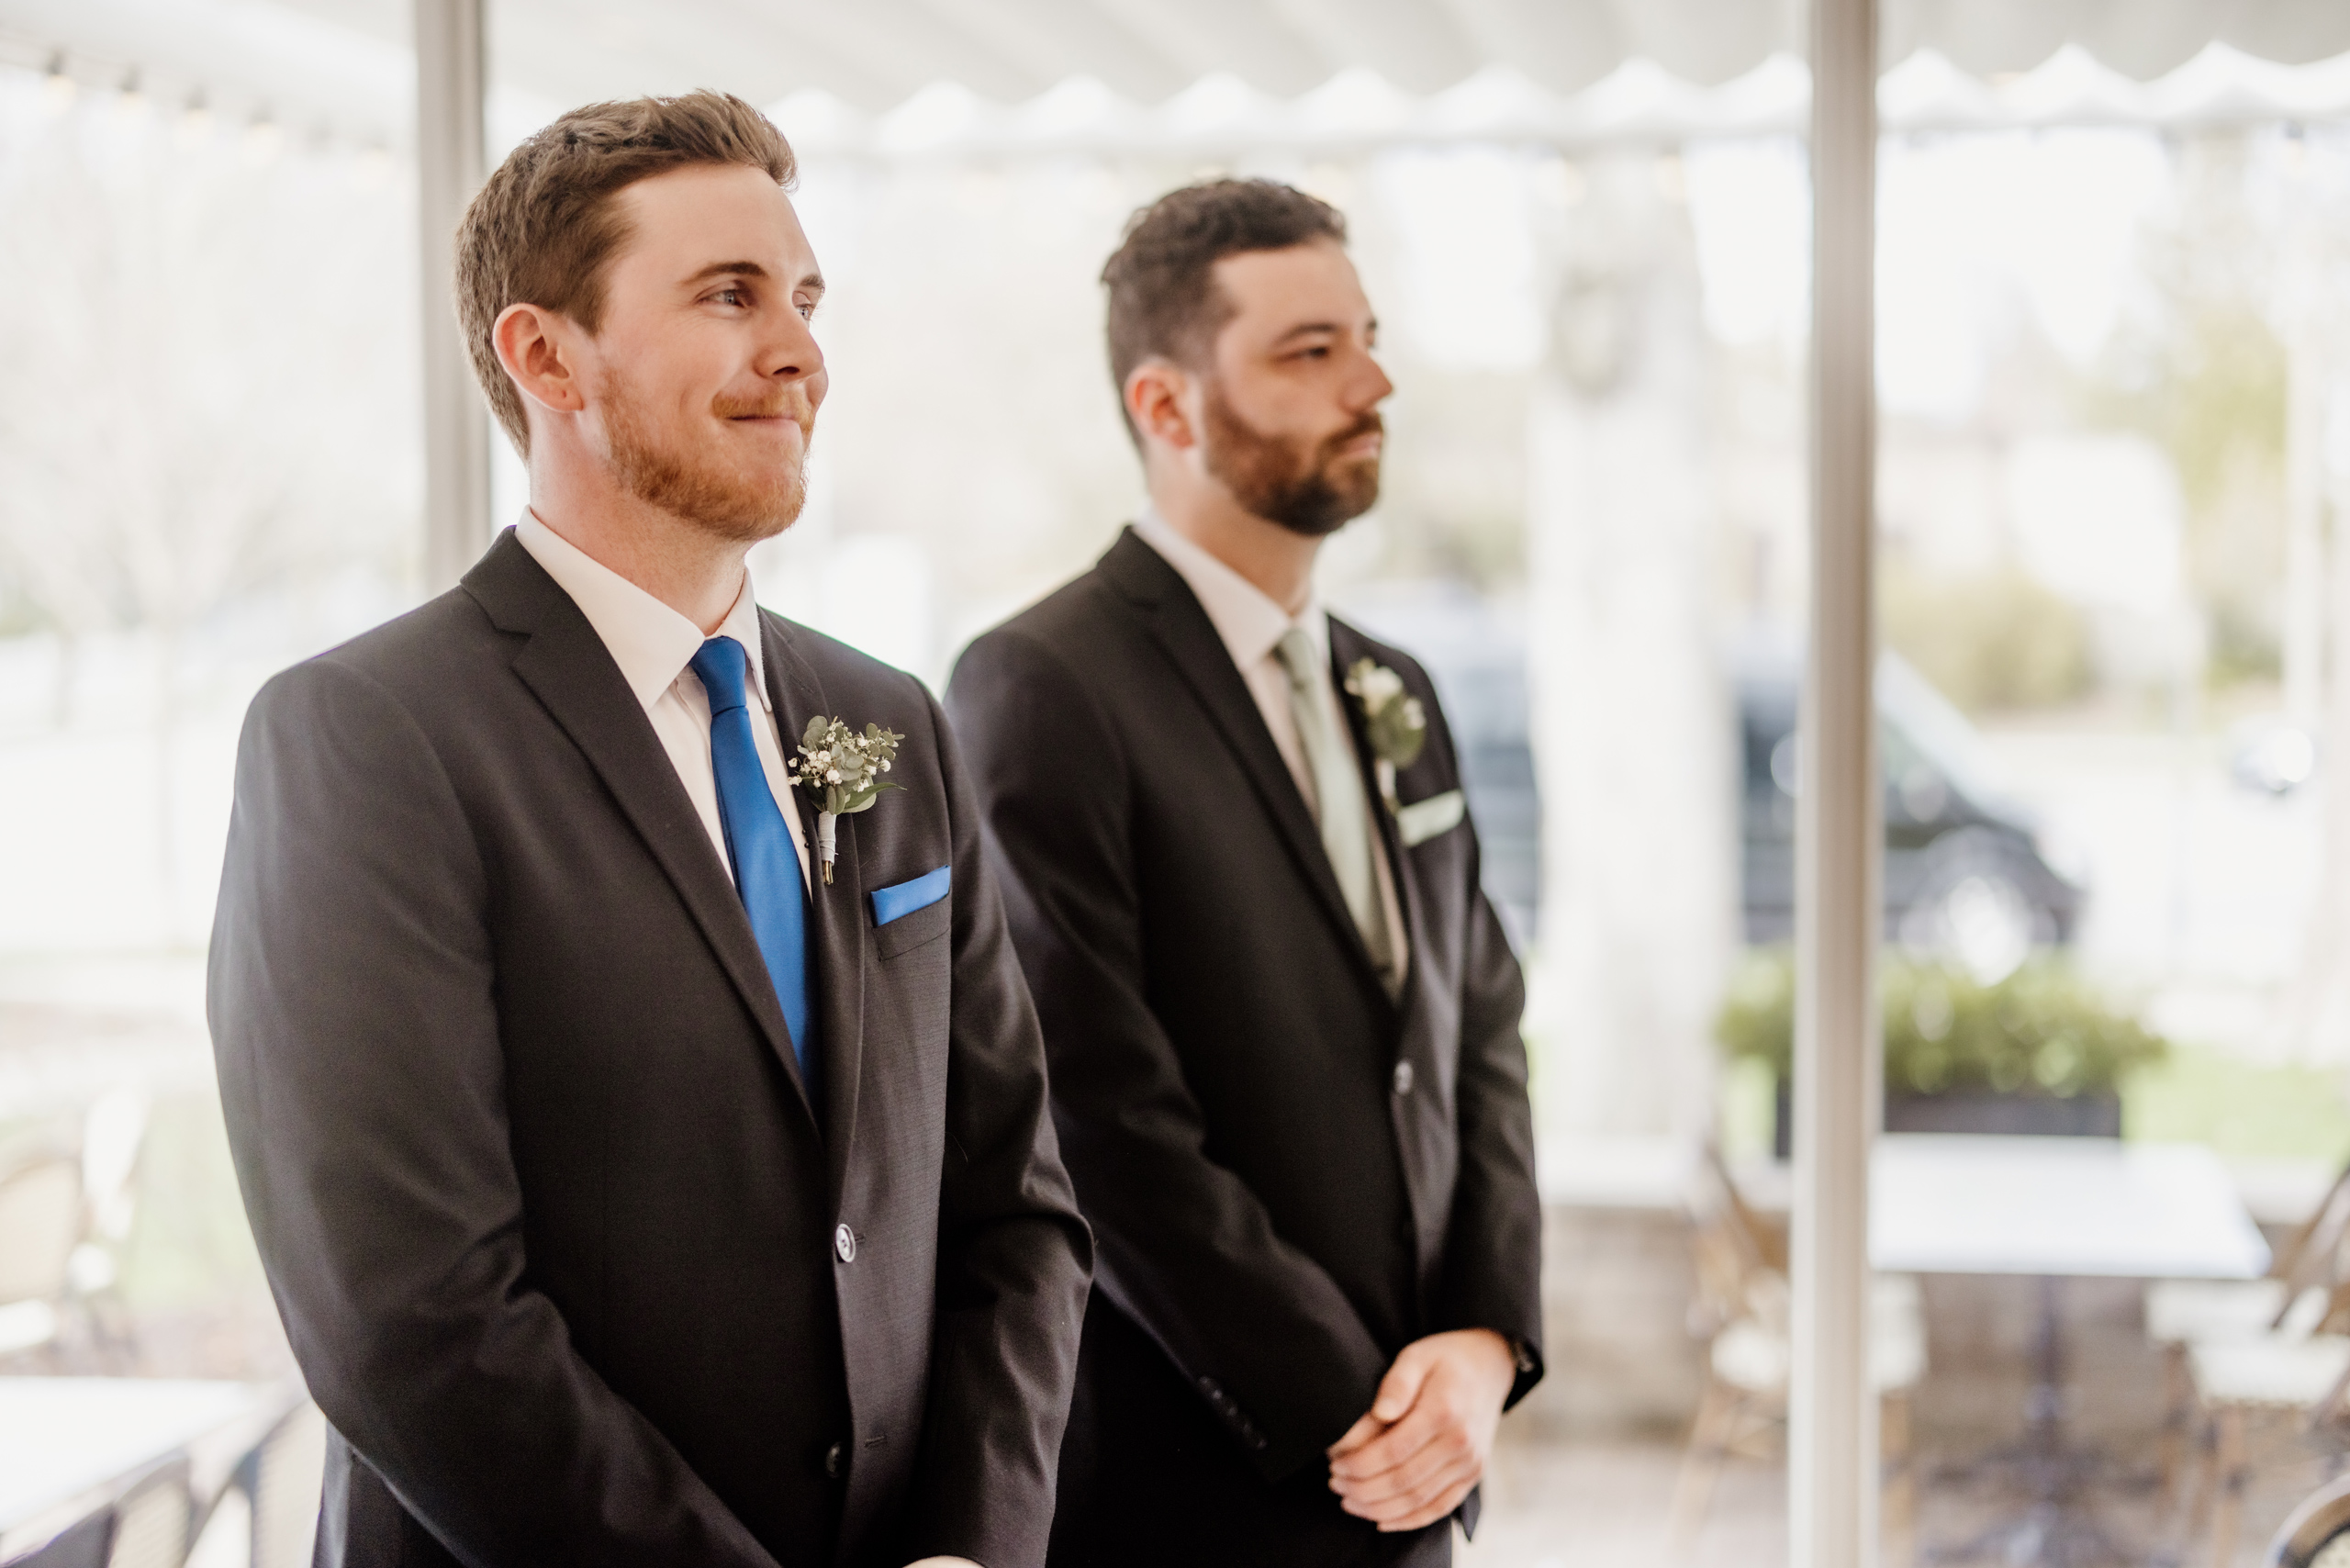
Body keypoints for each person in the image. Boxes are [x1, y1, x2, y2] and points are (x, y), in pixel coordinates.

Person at [209, 92, 1090, 1568]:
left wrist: (970, 1549)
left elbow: (1017, 1212)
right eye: (730, 295)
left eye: (804, 298)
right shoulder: (366, 740)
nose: (803, 350)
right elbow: (409, 1319)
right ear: (546, 354)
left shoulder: (893, 726)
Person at [946, 180, 1544, 1567]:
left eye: (1369, 337)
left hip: (1418, 1470)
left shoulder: (1393, 686)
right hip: (1191, 1487)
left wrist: (1481, 1339)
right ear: (1167, 409)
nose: (1374, 380)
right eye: (1310, 352)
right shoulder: (1040, 686)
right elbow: (1094, 1115)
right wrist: (1358, 1414)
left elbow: (1478, 1029)